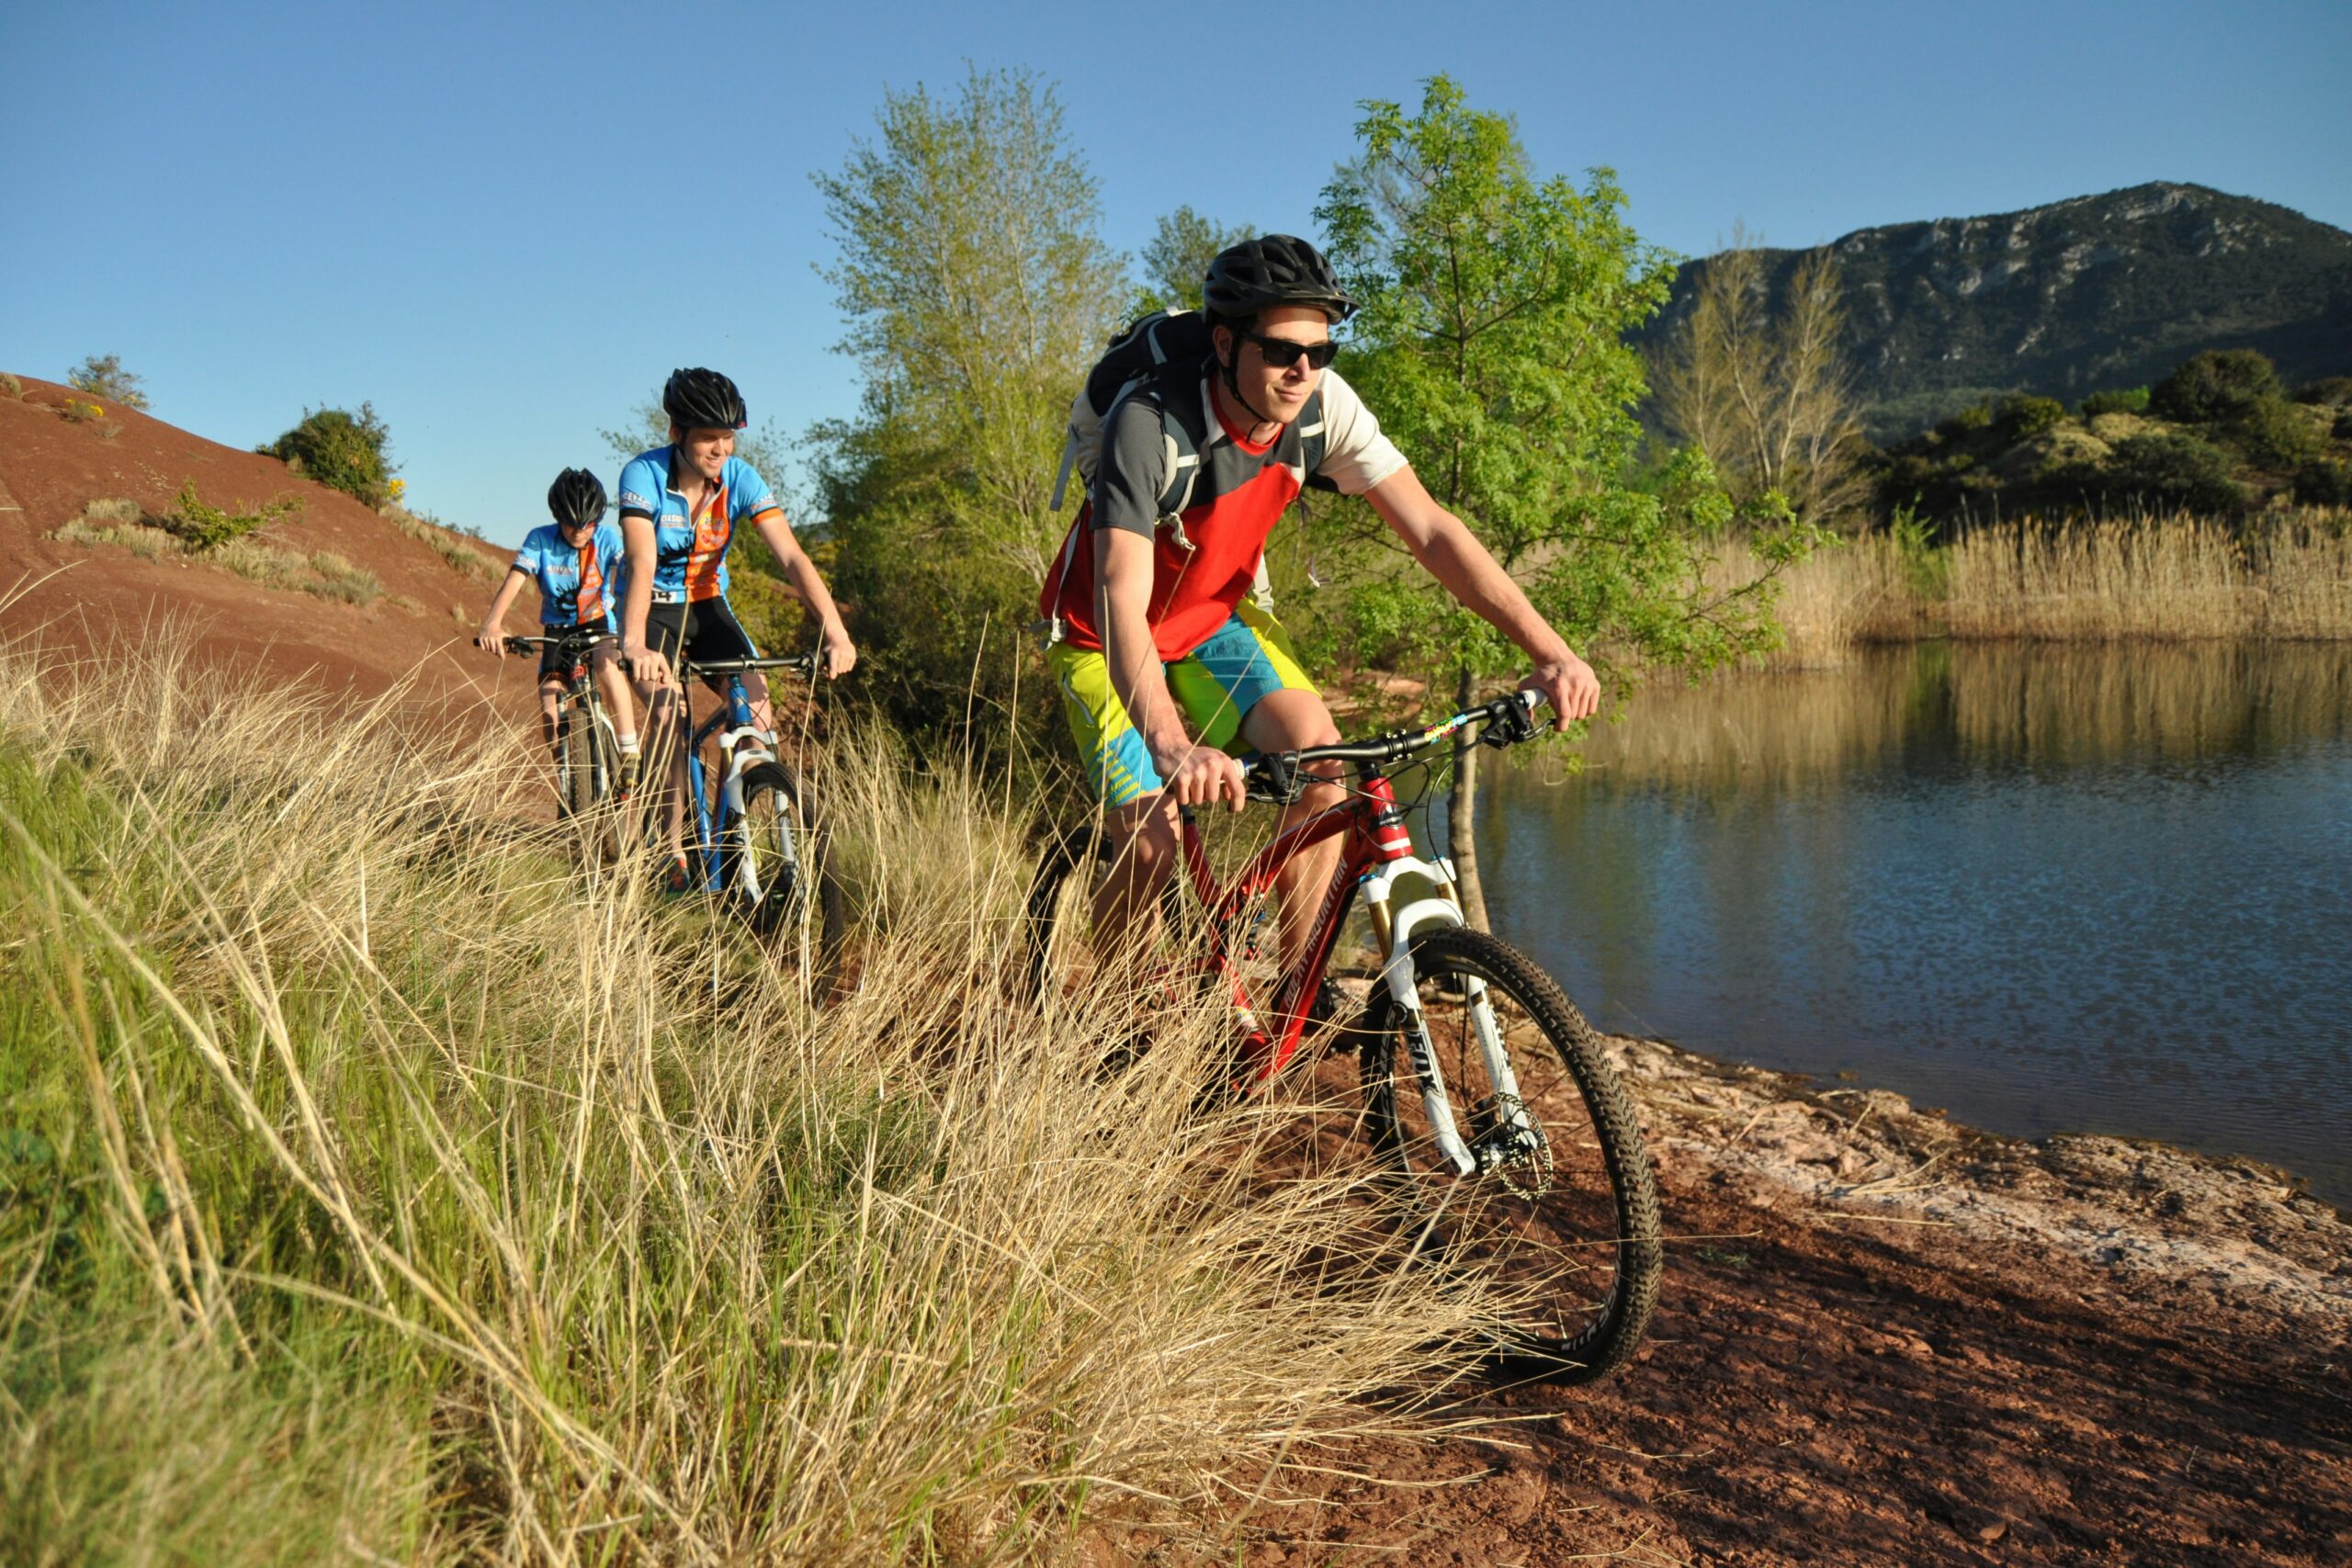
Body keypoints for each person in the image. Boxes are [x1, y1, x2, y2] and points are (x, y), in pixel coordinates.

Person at [1038, 234, 1601, 982]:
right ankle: (1109, 1014)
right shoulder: (1149, 424)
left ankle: (1298, 998)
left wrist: (1551, 651)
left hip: (1210, 621)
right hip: (1101, 635)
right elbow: (1119, 593)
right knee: (1150, 841)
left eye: (1321, 351)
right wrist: (1171, 744)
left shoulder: (1322, 408)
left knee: (1323, 762)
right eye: (1281, 351)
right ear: (1224, 344)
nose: (1304, 370)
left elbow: (1433, 531)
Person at [616, 367, 855, 887]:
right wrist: (633, 642)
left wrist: (835, 631)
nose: (721, 448)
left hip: (707, 605)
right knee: (669, 718)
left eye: (728, 436)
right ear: (676, 433)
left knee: (757, 716)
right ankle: (674, 852)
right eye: (708, 437)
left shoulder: (741, 478)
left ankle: (728, 837)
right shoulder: (643, 475)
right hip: (651, 609)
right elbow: (641, 559)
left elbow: (791, 557)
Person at [476, 467, 640, 790]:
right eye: (570, 524)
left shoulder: (607, 538)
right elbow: (516, 579)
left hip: (598, 622)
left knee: (607, 666)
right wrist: (493, 623)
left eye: (587, 525)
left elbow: (630, 572)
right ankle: (568, 782)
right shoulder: (540, 539)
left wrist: (634, 620)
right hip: (557, 629)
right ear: (557, 517)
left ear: (598, 520)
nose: (579, 532)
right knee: (549, 703)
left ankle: (629, 749)